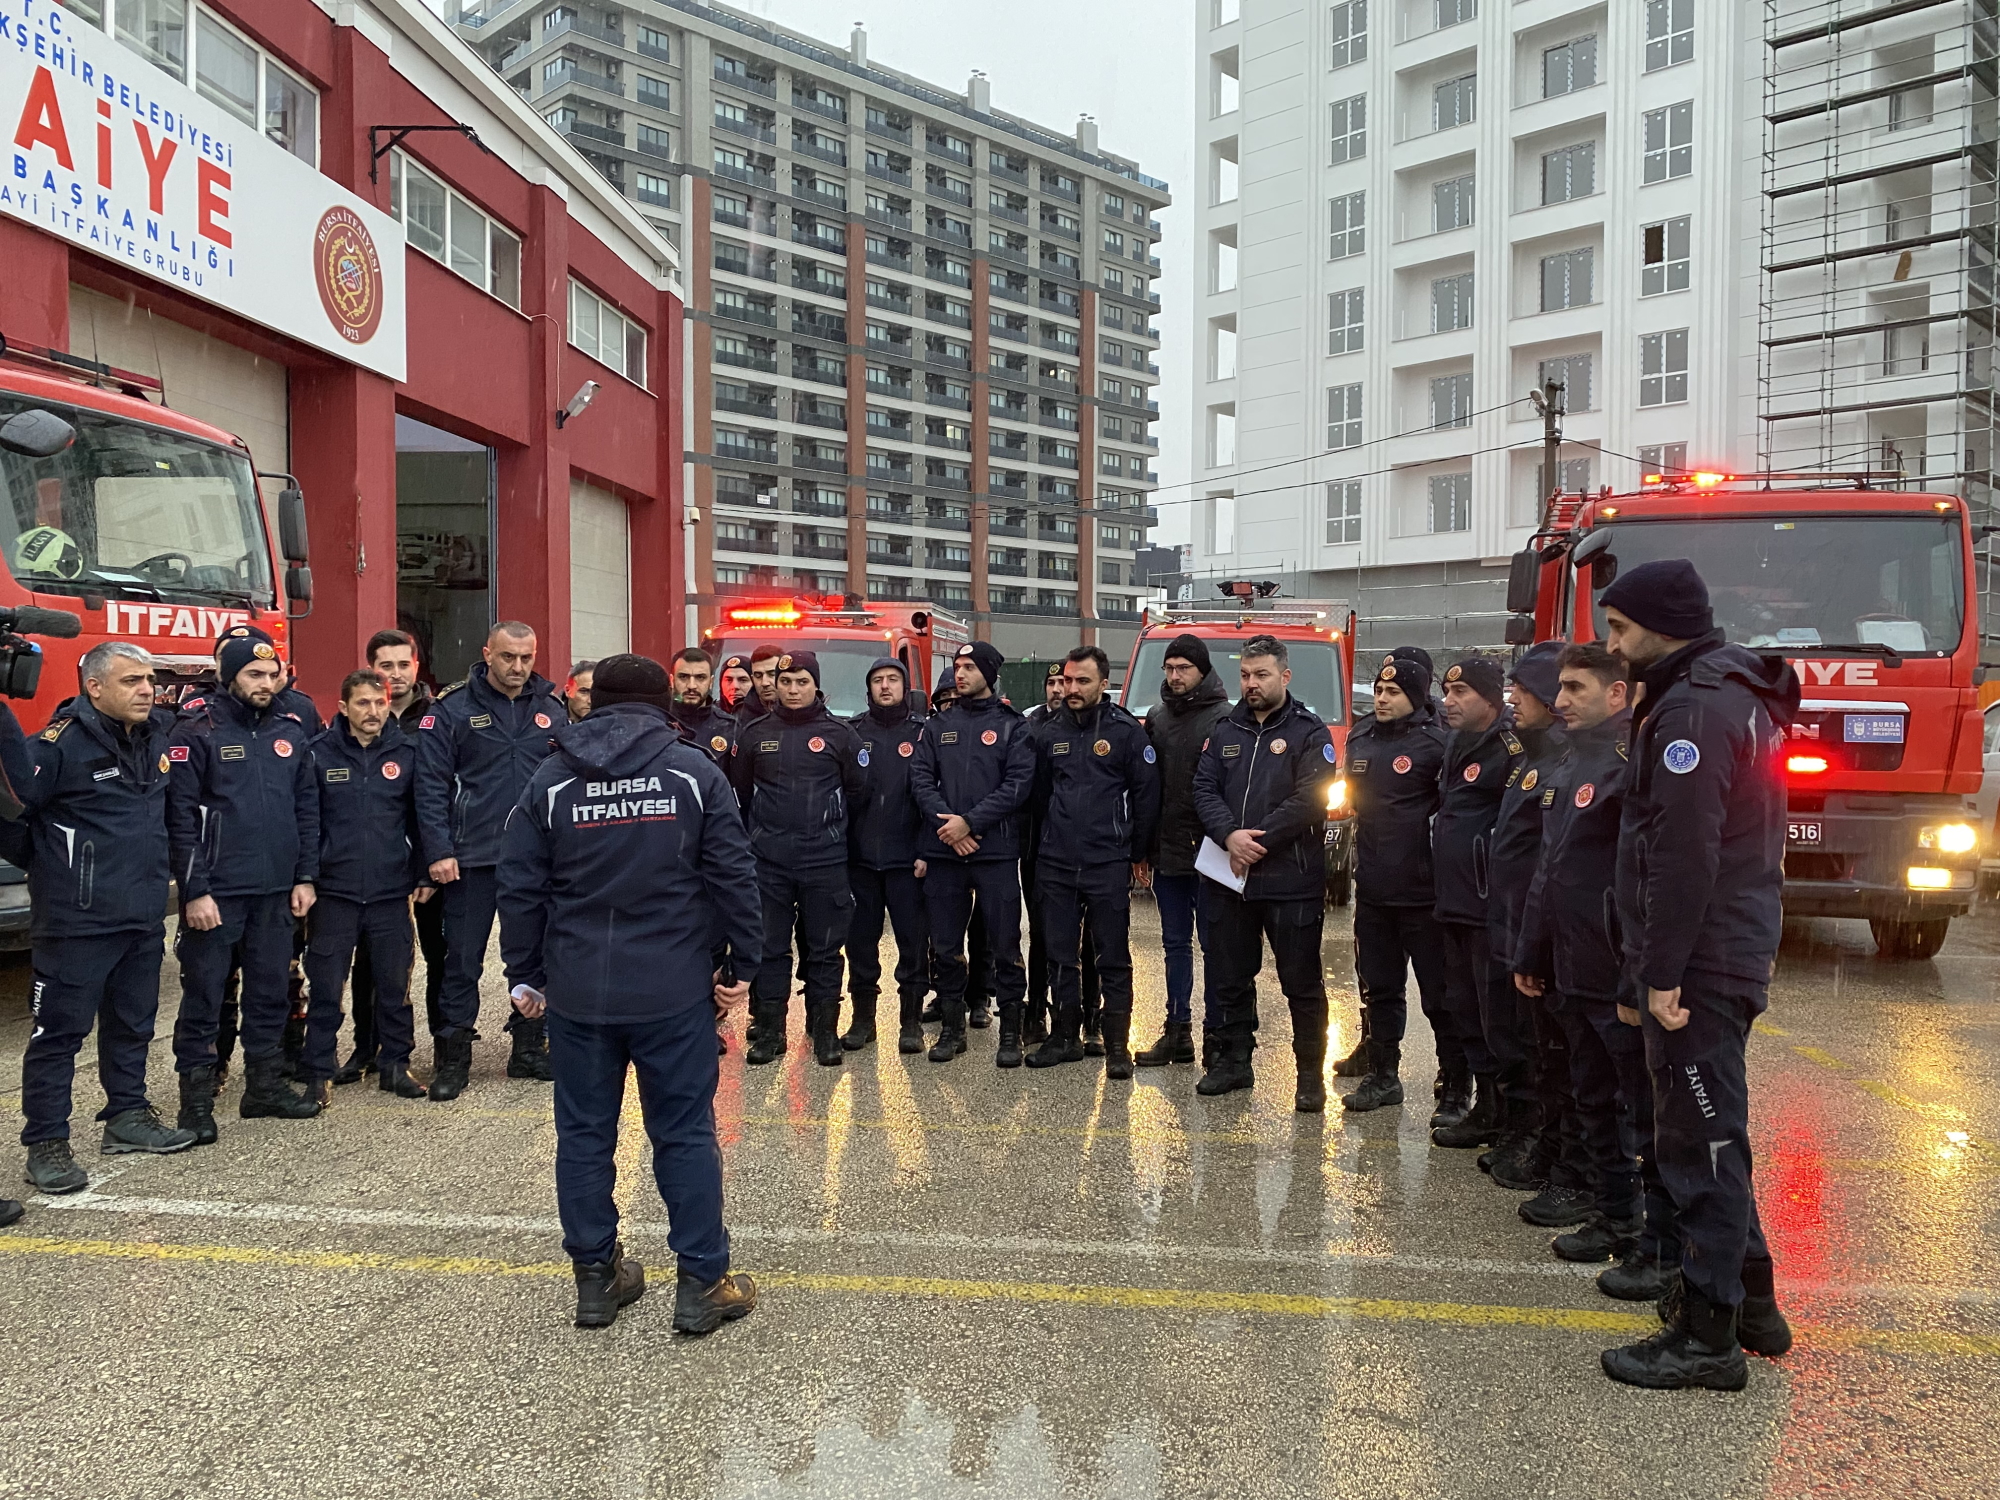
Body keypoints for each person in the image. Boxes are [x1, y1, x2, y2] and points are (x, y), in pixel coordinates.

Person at [498, 654, 762, 1333]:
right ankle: (703, 1280)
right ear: (663, 701)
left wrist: (525, 974)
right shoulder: (693, 771)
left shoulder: (552, 777)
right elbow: (735, 872)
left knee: (583, 1136)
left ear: (594, 702)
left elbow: (520, 885)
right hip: (671, 988)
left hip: (581, 988)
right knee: (683, 1134)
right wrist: (741, 964)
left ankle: (596, 1278)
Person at [1598, 558, 1796, 1391]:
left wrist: (1662, 972)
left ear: (1662, 624)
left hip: (1703, 959)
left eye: (1619, 629)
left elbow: (1684, 854)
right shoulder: (1712, 693)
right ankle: (1752, 1304)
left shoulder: (1693, 709)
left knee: (1701, 1140)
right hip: (1716, 950)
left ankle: (1706, 1337)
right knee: (1714, 1137)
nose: (1612, 646)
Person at [0, 643, 194, 1195]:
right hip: (75, 921)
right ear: (94, 687)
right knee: (58, 1035)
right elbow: (14, 812)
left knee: (133, 1024)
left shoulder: (156, 735)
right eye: (132, 680)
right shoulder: (58, 745)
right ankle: (46, 1143)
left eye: (150, 680)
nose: (146, 690)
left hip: (140, 915)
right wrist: (55, 870)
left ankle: (127, 1118)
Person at [1513, 645, 1640, 1257]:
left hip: (1612, 964)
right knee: (1588, 1090)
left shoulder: (1627, 764)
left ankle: (1629, 1222)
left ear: (1617, 695)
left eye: (1575, 689)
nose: (1560, 701)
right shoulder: (1567, 764)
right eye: (1559, 689)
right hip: (1568, 959)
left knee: (1624, 1101)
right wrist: (1531, 952)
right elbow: (1550, 870)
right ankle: (1606, 1208)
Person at [168, 631, 322, 1132]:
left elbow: (306, 809)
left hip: (275, 892)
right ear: (227, 676)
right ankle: (195, 1105)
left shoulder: (292, 730)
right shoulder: (195, 731)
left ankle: (264, 1087)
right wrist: (194, 891)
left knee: (269, 994)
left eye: (272, 674)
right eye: (254, 675)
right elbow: (181, 820)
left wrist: (305, 877)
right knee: (205, 998)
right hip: (217, 894)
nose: (266, 683)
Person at [414, 621, 568, 1100]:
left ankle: (527, 1049)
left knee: (535, 959)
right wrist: (437, 852)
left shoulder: (551, 711)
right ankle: (453, 1058)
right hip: (472, 859)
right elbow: (430, 786)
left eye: (526, 657)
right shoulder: (453, 710)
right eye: (508, 657)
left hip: (535, 861)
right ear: (487, 654)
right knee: (461, 962)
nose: (518, 667)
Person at [1191, 635, 1337, 1110]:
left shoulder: (1308, 732)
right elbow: (1203, 788)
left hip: (1289, 881)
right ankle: (1234, 1063)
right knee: (1229, 976)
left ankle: (1309, 1076)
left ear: (1285, 677)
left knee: (1302, 983)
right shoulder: (1224, 729)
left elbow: (1311, 797)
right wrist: (1229, 835)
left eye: (1262, 675)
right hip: (1228, 878)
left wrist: (1256, 842)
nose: (1252, 684)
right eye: (1246, 676)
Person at [299, 670, 433, 1103]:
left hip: (390, 893)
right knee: (325, 990)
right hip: (333, 894)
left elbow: (422, 817)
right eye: (362, 703)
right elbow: (307, 823)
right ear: (343, 708)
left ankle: (396, 1065)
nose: (372, 711)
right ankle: (318, 1073)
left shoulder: (408, 752)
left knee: (395, 989)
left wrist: (424, 872)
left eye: (379, 703)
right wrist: (305, 877)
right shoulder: (317, 754)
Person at [1026, 647, 1159, 1075]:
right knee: (1060, 954)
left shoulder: (1125, 733)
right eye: (1067, 681)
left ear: (1104, 683)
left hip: (1107, 860)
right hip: (1057, 861)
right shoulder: (1048, 733)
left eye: (1082, 681)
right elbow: (1040, 794)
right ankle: (1064, 1036)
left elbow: (1146, 796)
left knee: (1112, 956)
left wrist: (1137, 853)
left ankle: (1116, 1044)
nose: (1072, 689)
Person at [730, 651, 864, 1067]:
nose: (791, 690)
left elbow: (859, 792)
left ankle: (824, 1033)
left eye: (801, 682)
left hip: (823, 860)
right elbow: (742, 792)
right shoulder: (753, 734)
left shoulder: (840, 735)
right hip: (768, 861)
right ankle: (771, 1033)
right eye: (785, 682)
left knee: (824, 951)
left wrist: (830, 830)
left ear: (815, 686)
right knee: (770, 950)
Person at [909, 641, 1035, 1063]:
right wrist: (950, 826)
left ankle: (1011, 1033)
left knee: (1005, 943)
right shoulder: (936, 725)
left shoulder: (1012, 726)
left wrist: (971, 823)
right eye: (957, 667)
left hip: (994, 852)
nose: (959, 674)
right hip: (946, 851)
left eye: (968, 667)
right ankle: (951, 1028)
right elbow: (921, 779)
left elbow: (1017, 785)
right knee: (945, 947)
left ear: (988, 672)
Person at [1477, 642, 1572, 1171]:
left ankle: (1538, 1140)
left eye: (1523, 690)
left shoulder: (1560, 756)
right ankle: (1521, 1130)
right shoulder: (1529, 754)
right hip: (1509, 916)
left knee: (1540, 1045)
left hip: (1535, 924)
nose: (1513, 698)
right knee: (1510, 1033)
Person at [338, 629, 446, 1087]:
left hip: (425, 865)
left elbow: (434, 801)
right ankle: (366, 1047)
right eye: (386, 665)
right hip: (371, 870)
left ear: (416, 668)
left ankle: (442, 1048)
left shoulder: (441, 717)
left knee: (436, 957)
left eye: (404, 665)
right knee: (369, 964)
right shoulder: (349, 720)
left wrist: (429, 862)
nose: (396, 674)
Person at [1429, 659, 1529, 1149]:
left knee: (1499, 1018)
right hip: (1452, 899)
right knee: (1463, 1007)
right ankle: (1486, 1106)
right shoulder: (1455, 743)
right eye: (1447, 690)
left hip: (1488, 904)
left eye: (1461, 691)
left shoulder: (1511, 749)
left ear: (1491, 699)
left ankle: (1514, 1119)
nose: (1449, 700)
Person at [1139, 634, 1230, 1067]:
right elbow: (1146, 789)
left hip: (1211, 852)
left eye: (1184, 668)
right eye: (1169, 668)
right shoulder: (1156, 718)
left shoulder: (1225, 719)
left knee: (1214, 945)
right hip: (1168, 849)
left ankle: (1216, 1033)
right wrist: (1143, 847)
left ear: (1203, 671)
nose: (1175, 676)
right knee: (1174, 944)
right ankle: (1177, 1030)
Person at [844, 657, 931, 1054]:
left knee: (913, 944)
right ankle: (863, 1021)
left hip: (907, 859)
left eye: (892, 680)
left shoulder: (923, 733)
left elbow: (933, 796)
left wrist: (926, 850)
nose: (885, 687)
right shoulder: (852, 733)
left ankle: (910, 1021)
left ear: (905, 687)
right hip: (861, 860)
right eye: (877, 680)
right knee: (861, 944)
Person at [1022, 660, 1095, 1047]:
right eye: (1052, 682)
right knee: (1042, 934)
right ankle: (1035, 1012)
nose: (1057, 689)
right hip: (1039, 847)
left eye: (1064, 682)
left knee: (1090, 940)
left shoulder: (1088, 726)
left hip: (1085, 849)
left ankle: (1090, 1020)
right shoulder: (1030, 728)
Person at [669, 647, 738, 771]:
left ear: (711, 682)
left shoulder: (728, 727)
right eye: (683, 677)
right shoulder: (659, 722)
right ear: (672, 680)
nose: (691, 685)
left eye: (700, 677)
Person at [747, 643, 783, 715]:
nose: (764, 683)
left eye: (772, 674)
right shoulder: (739, 715)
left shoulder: (799, 712)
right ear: (752, 679)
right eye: (758, 676)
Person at [718, 654, 755, 720]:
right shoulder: (708, 716)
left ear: (754, 683)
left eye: (743, 680)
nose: (735, 686)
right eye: (729, 680)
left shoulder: (765, 717)